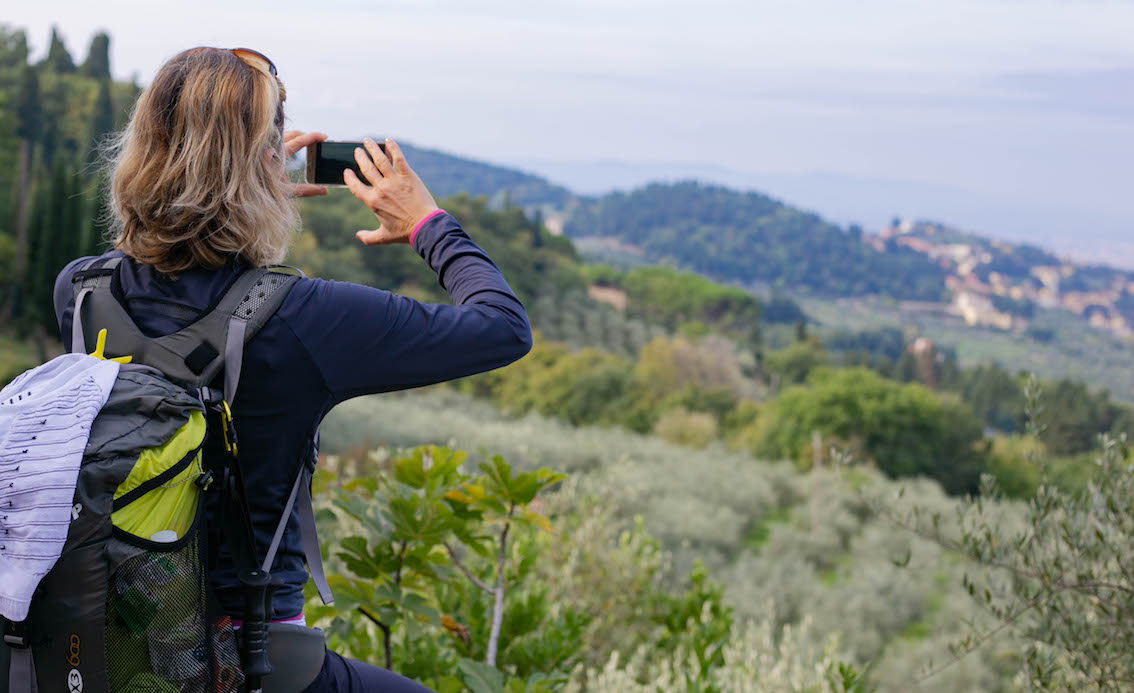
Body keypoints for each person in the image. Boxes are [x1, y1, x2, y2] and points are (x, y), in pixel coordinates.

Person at [52, 47, 532, 693]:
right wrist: (427, 222)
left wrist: (244, 185)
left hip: (115, 634)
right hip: (253, 656)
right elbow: (502, 326)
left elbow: (176, 280)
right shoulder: (307, 319)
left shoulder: (81, 292)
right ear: (260, 164)